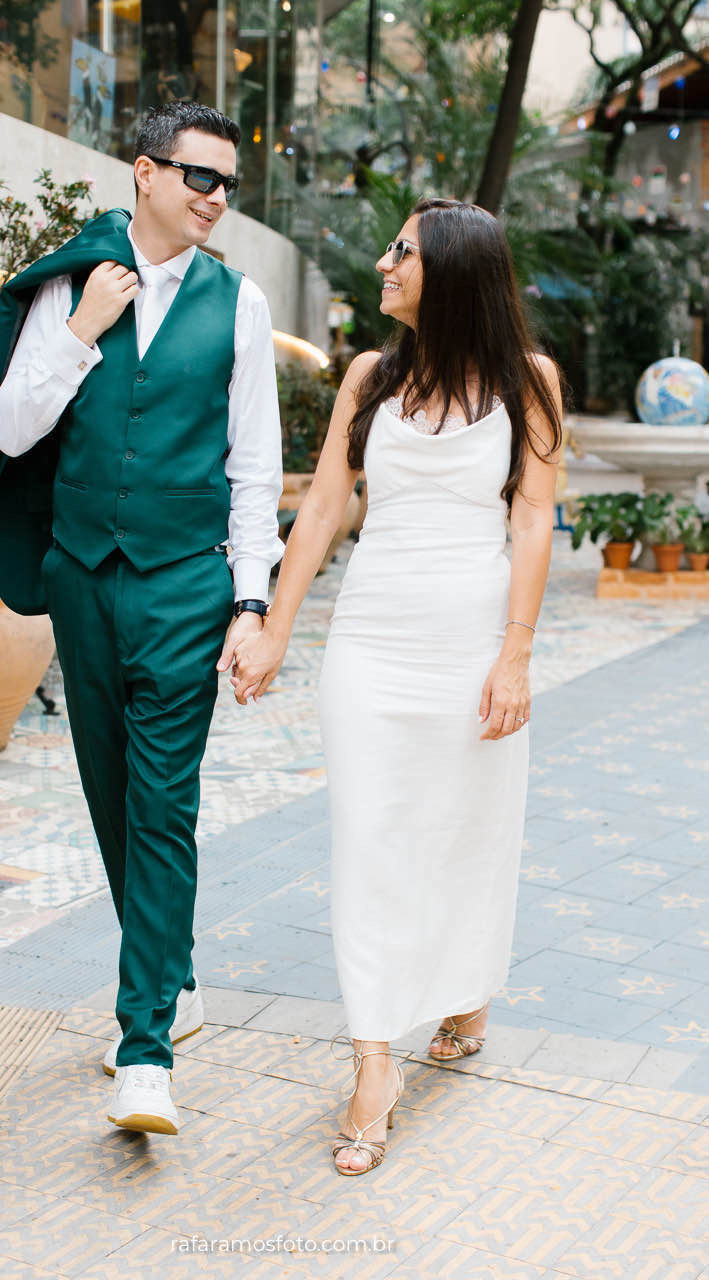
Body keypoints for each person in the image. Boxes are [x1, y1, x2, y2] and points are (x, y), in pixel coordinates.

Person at [0, 101, 283, 1136]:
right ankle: (175, 977)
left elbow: (254, 470)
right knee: (109, 794)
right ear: (143, 172)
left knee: (163, 804)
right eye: (199, 177)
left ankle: (144, 1046)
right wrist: (82, 333)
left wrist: (250, 600)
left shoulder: (238, 303)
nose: (215, 199)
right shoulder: (68, 285)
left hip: (186, 584)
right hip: (83, 579)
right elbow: (10, 427)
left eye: (228, 184)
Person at [232, 198, 562, 1176]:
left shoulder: (526, 382)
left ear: (451, 273)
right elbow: (328, 500)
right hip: (371, 643)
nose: (382, 263)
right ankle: (373, 1059)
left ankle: (464, 988)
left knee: (465, 829)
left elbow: (534, 521)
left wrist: (514, 654)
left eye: (401, 253)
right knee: (370, 838)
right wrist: (274, 628)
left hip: (468, 642)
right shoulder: (373, 377)